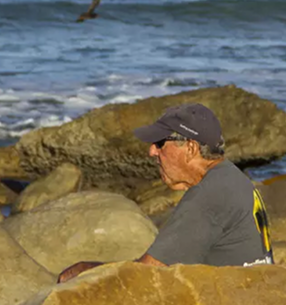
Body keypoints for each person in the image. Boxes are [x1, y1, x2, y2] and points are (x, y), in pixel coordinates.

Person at [58, 103, 273, 283]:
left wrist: (86, 271)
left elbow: (145, 275)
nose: (152, 151)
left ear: (190, 148)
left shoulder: (207, 195)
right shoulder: (232, 177)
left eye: (160, 143)